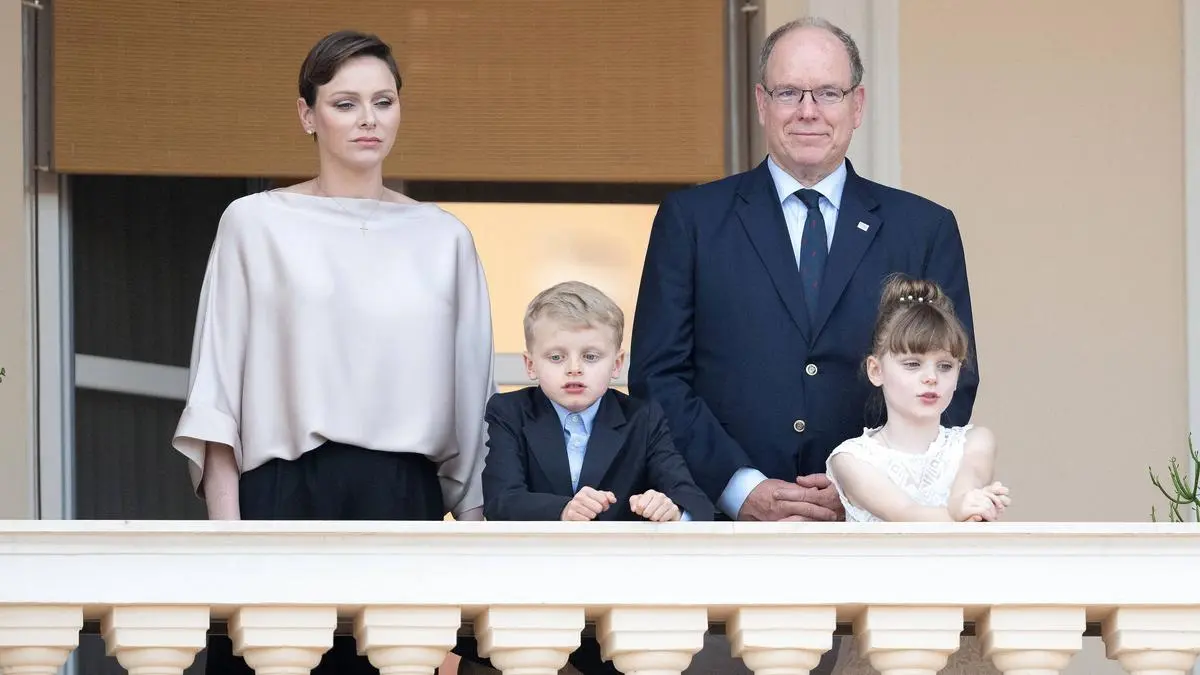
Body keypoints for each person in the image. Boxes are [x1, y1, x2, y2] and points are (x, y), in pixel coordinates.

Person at [170, 30, 495, 675]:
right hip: (282, 497)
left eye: (384, 101)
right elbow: (218, 394)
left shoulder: (444, 238)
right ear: (307, 115)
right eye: (345, 103)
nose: (368, 119)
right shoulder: (254, 223)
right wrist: (229, 544)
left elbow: (472, 405)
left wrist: (481, 563)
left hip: (405, 502)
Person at [630, 15, 979, 526]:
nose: (808, 112)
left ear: (857, 106)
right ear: (761, 103)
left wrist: (866, 490)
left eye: (828, 93)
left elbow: (955, 377)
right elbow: (658, 377)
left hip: (875, 538)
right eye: (789, 92)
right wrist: (739, 487)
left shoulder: (924, 228)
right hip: (721, 530)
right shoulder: (692, 220)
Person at [824, 274, 1008, 675]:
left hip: (964, 644)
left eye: (945, 365)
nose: (931, 378)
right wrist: (965, 515)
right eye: (912, 363)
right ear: (876, 369)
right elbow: (905, 514)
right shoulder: (851, 459)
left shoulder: (976, 440)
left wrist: (966, 499)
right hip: (881, 644)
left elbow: (970, 474)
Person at [483, 281, 714, 523]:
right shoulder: (509, 412)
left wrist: (673, 510)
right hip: (537, 558)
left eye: (590, 356)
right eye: (556, 357)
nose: (574, 369)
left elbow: (694, 500)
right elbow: (500, 501)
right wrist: (564, 510)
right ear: (530, 365)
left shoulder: (643, 418)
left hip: (619, 559)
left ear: (617, 364)